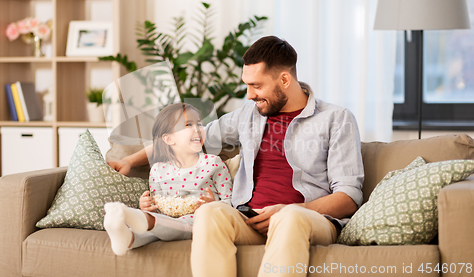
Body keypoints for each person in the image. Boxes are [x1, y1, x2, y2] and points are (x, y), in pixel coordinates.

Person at [108, 36, 364, 277]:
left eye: (256, 85)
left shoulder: (336, 119)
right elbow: (191, 138)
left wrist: (294, 208)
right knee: (210, 213)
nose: (250, 94)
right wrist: (131, 160)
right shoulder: (248, 115)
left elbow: (349, 196)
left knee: (289, 218)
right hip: (248, 218)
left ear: (285, 79)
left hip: (307, 218)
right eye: (247, 85)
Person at [104, 103, 233, 256]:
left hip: (202, 221)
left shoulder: (213, 163)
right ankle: (126, 236)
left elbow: (229, 202)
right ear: (169, 139)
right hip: (166, 223)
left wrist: (213, 206)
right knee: (152, 231)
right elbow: (159, 207)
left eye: (199, 124)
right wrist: (147, 206)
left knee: (185, 224)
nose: (197, 129)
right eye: (188, 125)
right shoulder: (158, 170)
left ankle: (138, 218)